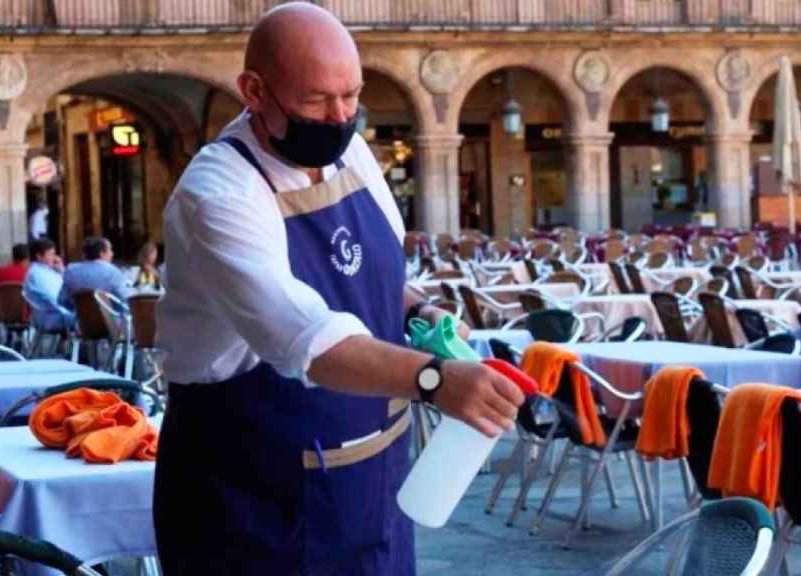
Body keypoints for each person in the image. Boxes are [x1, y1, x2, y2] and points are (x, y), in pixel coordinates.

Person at [153, 4, 524, 574]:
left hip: (372, 483)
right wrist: (436, 379)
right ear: (253, 90)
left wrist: (420, 309)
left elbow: (365, 276)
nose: (340, 116)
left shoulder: (349, 150)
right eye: (316, 101)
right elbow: (307, 340)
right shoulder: (219, 195)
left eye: (352, 96)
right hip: (257, 501)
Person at [57, 236, 129, 310]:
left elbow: (62, 300)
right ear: (101, 253)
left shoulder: (71, 270)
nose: (112, 254)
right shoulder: (112, 271)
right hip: (111, 319)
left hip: (79, 320)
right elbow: (125, 300)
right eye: (110, 250)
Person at [24, 239, 75, 332]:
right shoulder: (38, 274)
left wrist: (62, 271)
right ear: (39, 256)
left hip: (55, 314)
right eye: (51, 254)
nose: (55, 258)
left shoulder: (47, 271)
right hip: (53, 317)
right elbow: (54, 299)